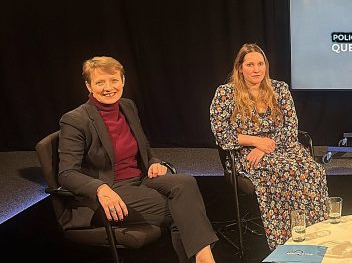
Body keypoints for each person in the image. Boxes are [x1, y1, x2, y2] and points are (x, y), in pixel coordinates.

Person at [58, 56, 217, 263]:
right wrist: (100, 188)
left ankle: (203, 259)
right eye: (100, 82)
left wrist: (153, 163)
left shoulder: (127, 106)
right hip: (111, 189)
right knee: (183, 210)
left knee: (185, 182)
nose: (109, 87)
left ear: (123, 81)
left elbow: (144, 149)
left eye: (114, 80)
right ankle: (205, 260)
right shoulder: (75, 120)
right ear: (88, 86)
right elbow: (66, 174)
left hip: (140, 179)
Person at [210, 43, 329, 249]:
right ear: (240, 67)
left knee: (314, 171)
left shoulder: (280, 89)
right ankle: (287, 240)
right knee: (288, 172)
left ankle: (316, 232)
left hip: (283, 146)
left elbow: (291, 127)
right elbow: (221, 133)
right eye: (250, 64)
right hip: (244, 154)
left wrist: (266, 145)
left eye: (260, 63)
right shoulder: (225, 94)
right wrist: (256, 142)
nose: (256, 69)